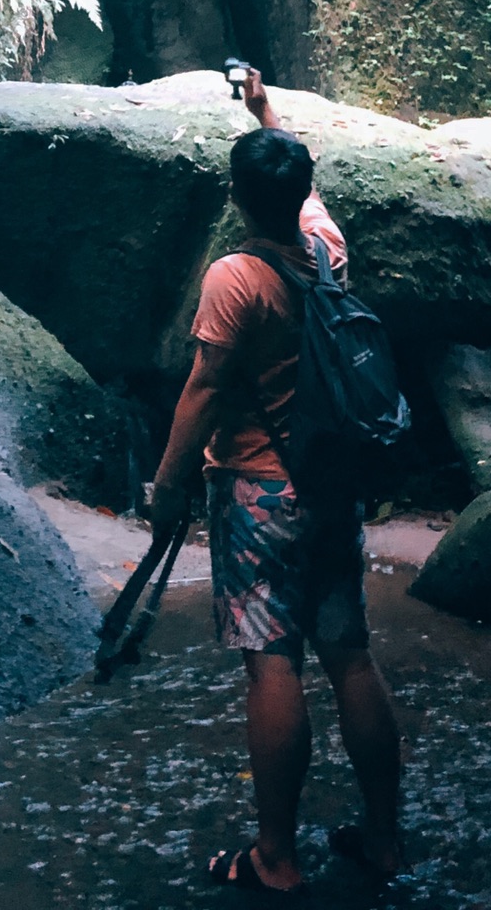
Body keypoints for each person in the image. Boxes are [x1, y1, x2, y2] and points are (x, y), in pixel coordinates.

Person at [147, 69, 404, 896]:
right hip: (332, 486)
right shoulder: (325, 251)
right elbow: (308, 178)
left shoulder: (235, 279)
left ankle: (276, 858)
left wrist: (167, 486)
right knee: (351, 655)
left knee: (272, 664)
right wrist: (268, 110)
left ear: (236, 194)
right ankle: (385, 839)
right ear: (296, 193)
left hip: (260, 493)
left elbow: (205, 388)